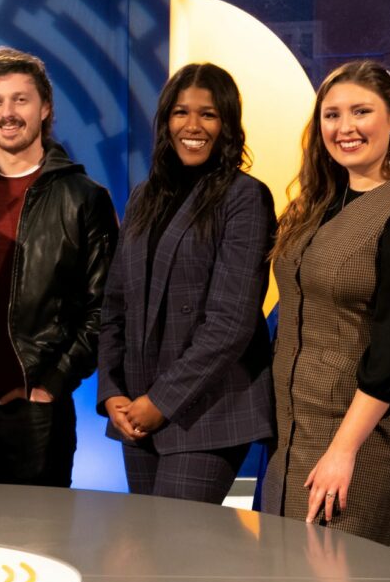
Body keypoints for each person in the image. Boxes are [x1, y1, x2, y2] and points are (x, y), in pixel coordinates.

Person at [263, 60, 390, 545]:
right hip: (294, 429)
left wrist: (342, 450)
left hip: (361, 436)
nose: (344, 128)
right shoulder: (316, 205)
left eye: (360, 112)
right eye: (332, 115)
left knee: (334, 575)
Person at [96, 63, 275, 503]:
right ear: (165, 122)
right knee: (148, 554)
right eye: (180, 112)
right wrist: (112, 392)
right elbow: (114, 303)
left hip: (208, 412)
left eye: (208, 114)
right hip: (136, 409)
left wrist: (161, 402)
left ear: (227, 124)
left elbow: (230, 323)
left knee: (177, 553)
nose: (192, 126)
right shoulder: (143, 195)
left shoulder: (245, 197)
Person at [0, 46, 117, 487]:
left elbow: (106, 308)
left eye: (21, 99)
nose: (8, 113)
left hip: (37, 412)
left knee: (37, 548)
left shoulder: (83, 197)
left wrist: (53, 381)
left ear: (45, 108)